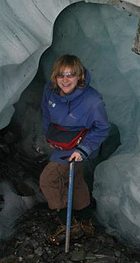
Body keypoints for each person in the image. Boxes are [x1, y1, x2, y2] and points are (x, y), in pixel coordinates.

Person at [39, 54, 110, 223]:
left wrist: (83, 150)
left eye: (70, 74)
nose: (65, 80)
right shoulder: (50, 91)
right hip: (60, 141)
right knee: (75, 179)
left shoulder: (92, 101)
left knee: (48, 180)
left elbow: (102, 128)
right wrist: (49, 136)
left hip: (81, 143)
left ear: (80, 76)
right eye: (60, 75)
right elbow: (46, 113)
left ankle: (64, 217)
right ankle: (85, 216)